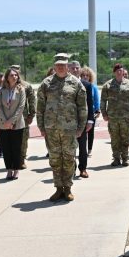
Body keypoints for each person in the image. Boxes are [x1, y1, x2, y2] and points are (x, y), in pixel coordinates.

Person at [37, 54, 88, 202]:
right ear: (54, 66)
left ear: (67, 66)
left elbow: (82, 108)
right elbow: (40, 107)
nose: (60, 67)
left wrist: (81, 128)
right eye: (58, 65)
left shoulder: (76, 83)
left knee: (69, 158)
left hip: (69, 130)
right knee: (54, 159)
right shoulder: (46, 84)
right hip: (51, 129)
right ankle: (58, 188)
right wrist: (41, 126)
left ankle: (68, 188)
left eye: (63, 65)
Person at [100, 63, 129, 166]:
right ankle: (116, 158)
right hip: (113, 117)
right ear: (114, 72)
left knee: (125, 138)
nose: (119, 72)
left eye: (121, 70)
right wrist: (104, 113)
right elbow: (103, 101)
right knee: (115, 139)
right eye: (117, 71)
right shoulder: (107, 85)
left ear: (123, 72)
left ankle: (125, 158)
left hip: (126, 117)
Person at [0, 67, 26, 180]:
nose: (14, 77)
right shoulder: (1, 90)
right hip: (3, 124)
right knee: (6, 148)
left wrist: (12, 121)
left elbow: (21, 107)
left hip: (17, 124)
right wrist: (5, 121)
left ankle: (16, 170)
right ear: (7, 77)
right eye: (11, 75)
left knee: (16, 148)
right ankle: (9, 169)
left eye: (16, 75)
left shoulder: (21, 89)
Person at [9, 64, 35, 169]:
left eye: (17, 71)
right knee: (10, 140)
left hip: (23, 118)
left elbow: (32, 101)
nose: (15, 73)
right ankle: (12, 160)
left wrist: (31, 114)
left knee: (23, 140)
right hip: (9, 117)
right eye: (13, 71)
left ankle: (21, 159)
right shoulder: (7, 85)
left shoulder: (26, 86)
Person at [76, 65, 96, 178]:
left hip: (82, 121)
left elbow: (90, 102)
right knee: (68, 148)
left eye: (76, 68)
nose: (75, 70)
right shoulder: (64, 83)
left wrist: (90, 120)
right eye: (72, 68)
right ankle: (70, 169)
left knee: (83, 147)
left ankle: (83, 168)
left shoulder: (87, 85)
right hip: (67, 122)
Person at [80, 67, 101, 158]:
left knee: (90, 132)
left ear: (90, 77)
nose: (85, 77)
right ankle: (82, 148)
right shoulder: (78, 85)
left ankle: (89, 149)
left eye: (87, 75)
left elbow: (96, 100)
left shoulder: (93, 87)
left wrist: (97, 110)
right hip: (80, 112)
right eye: (83, 75)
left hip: (91, 111)